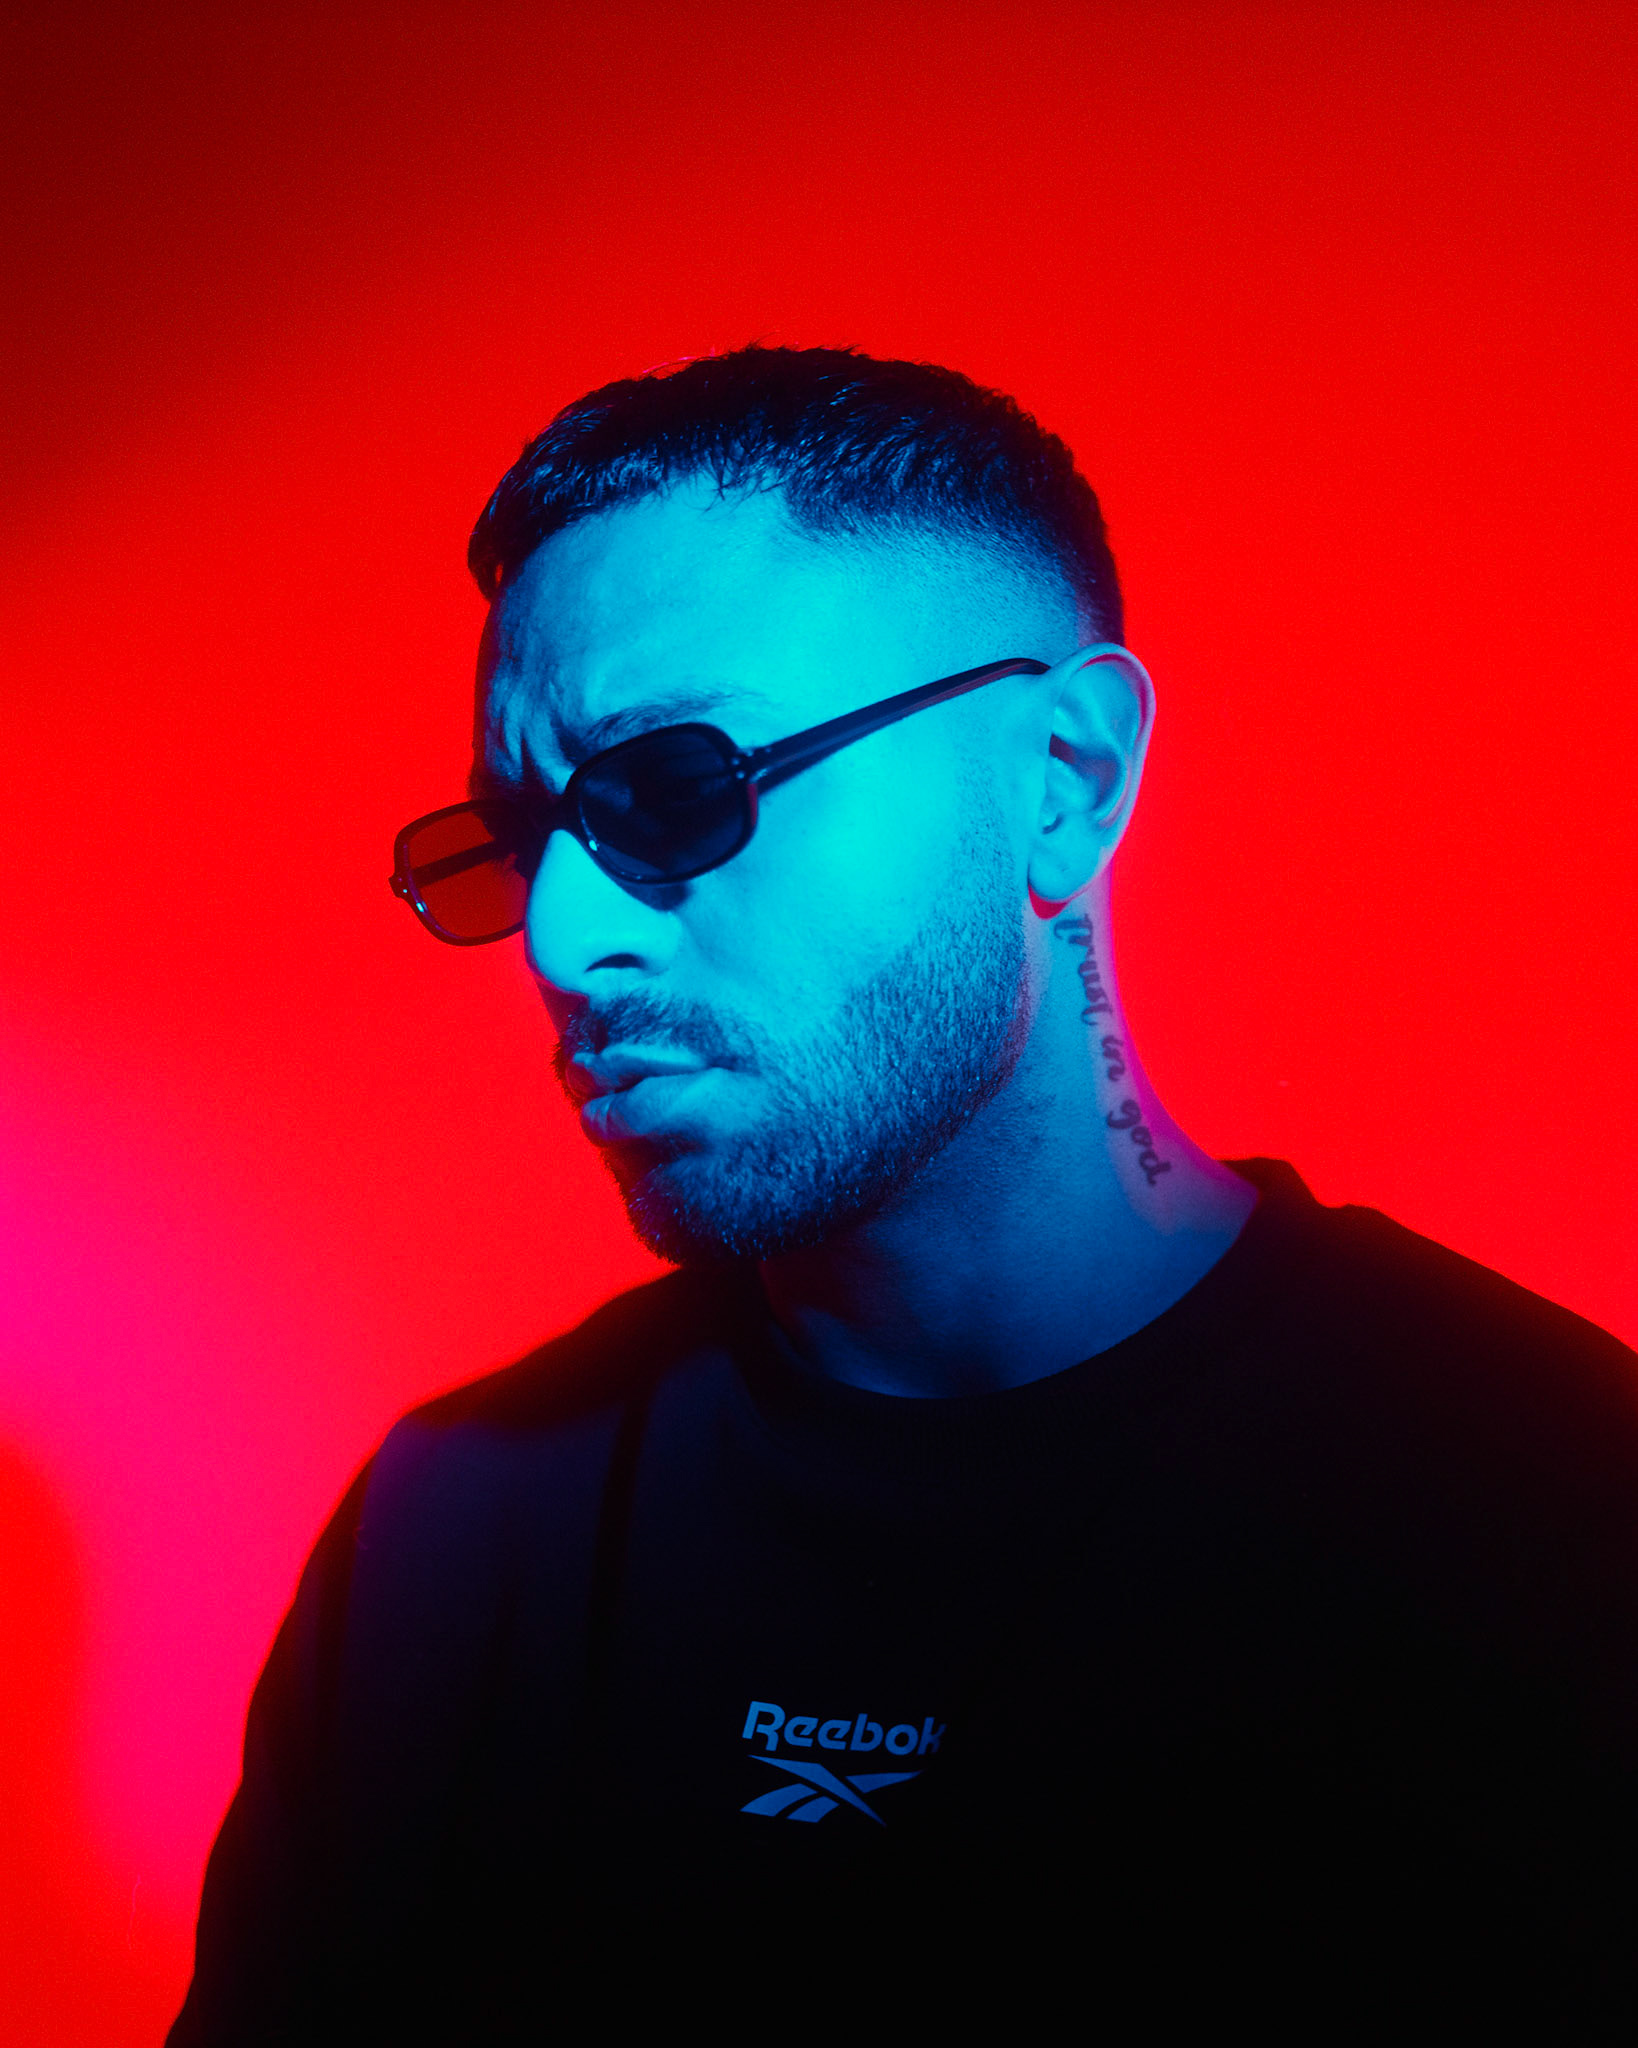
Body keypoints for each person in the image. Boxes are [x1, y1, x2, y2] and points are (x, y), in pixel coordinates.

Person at [170, 347, 1638, 2040]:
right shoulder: (459, 1533)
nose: (564, 945)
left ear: (1062, 779)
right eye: (517, 842)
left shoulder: (1548, 1511)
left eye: (676, 789)